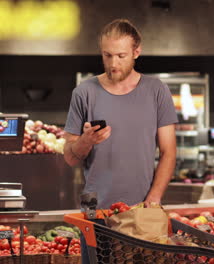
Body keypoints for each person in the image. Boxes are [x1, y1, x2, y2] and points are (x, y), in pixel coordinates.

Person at [63, 19, 178, 262]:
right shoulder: (84, 92)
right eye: (107, 56)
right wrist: (86, 140)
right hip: (94, 208)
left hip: (142, 209)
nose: (113, 64)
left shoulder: (157, 90)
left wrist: (154, 198)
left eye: (121, 56)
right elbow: (70, 157)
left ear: (137, 52)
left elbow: (168, 152)